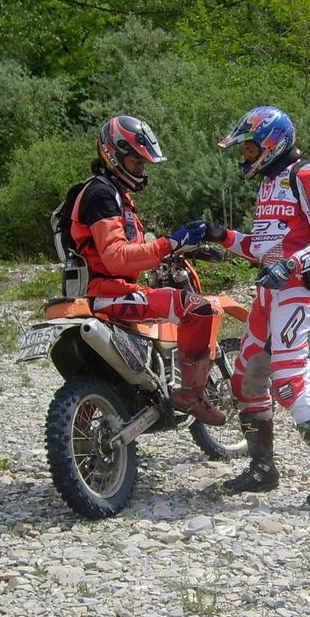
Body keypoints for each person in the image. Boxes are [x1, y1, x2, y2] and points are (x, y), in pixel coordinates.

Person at [203, 105, 310, 507]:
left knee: (289, 383)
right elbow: (262, 249)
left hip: (295, 292)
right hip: (268, 293)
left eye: (249, 148)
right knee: (245, 378)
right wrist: (221, 236)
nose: (245, 156)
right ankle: (262, 469)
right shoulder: (269, 183)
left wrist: (291, 265)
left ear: (272, 143)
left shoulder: (305, 176)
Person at [69, 115, 225, 425]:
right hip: (106, 293)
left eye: (144, 162)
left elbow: (125, 253)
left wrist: (169, 249)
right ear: (112, 155)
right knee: (199, 309)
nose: (141, 168)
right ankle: (190, 395)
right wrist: (169, 244)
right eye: (136, 161)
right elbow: (116, 258)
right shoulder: (102, 195)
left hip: (105, 290)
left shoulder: (114, 194)